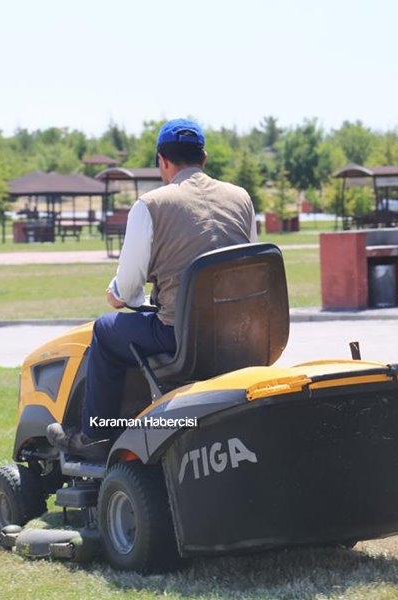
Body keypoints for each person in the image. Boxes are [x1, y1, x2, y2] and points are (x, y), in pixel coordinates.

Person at [47, 118, 257, 460]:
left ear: (162, 160)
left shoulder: (151, 205)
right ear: (203, 158)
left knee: (104, 328)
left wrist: (118, 295)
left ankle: (95, 436)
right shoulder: (242, 198)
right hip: (240, 334)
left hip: (181, 337)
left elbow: (128, 288)